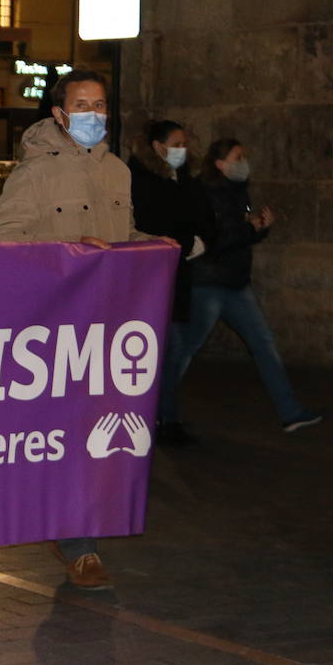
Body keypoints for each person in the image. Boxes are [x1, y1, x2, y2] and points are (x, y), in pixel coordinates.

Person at [0, 68, 173, 591]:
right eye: (82, 106)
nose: (94, 114)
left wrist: (151, 243)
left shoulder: (117, 170)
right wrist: (69, 253)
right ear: (60, 114)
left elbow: (120, 234)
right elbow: (1, 241)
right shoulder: (35, 173)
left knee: (96, 439)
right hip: (55, 329)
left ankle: (79, 527)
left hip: (108, 327)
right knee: (69, 438)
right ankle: (79, 543)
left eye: (101, 105)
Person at [164, 139, 322, 433]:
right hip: (208, 283)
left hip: (234, 282)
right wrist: (250, 228)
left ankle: (291, 412)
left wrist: (257, 228)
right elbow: (217, 239)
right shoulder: (207, 192)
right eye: (238, 157)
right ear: (220, 164)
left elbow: (238, 234)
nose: (243, 161)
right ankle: (161, 411)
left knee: (263, 343)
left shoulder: (236, 191)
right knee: (184, 349)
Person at [128, 120, 218, 445]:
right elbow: (150, 226)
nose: (183, 149)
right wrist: (186, 241)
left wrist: (200, 240)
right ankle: (161, 418)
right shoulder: (142, 181)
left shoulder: (183, 180)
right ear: (158, 147)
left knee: (174, 349)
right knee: (166, 350)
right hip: (150, 280)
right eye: (177, 143)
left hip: (178, 277)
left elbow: (204, 218)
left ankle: (165, 415)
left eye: (184, 143)